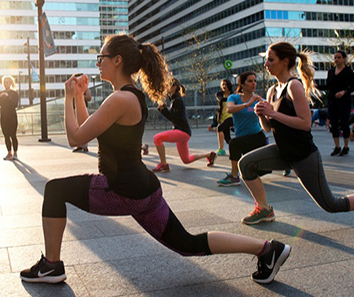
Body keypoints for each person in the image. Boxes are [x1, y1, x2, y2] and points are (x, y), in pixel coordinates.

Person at [19, 34, 291, 285]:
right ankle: (267, 249)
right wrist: (78, 96)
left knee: (55, 190)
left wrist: (68, 97)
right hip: (143, 189)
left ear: (117, 61)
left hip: (121, 190)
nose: (97, 63)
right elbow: (88, 129)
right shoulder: (128, 96)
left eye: (101, 58)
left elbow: (75, 138)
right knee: (187, 243)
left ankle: (51, 266)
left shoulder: (120, 99)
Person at [236, 42, 354, 228]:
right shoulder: (272, 91)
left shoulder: (294, 86)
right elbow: (268, 128)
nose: (266, 64)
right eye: (266, 60)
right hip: (283, 151)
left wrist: (274, 113)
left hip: (303, 155)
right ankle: (264, 209)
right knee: (246, 164)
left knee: (332, 204)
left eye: (271, 60)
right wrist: (262, 115)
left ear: (285, 61)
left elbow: (305, 123)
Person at [152, 78, 216, 172]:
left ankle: (163, 164)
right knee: (186, 160)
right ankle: (209, 155)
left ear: (174, 87)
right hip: (184, 132)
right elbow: (174, 116)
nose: (165, 88)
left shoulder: (177, 100)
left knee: (157, 138)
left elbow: (174, 118)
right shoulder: (175, 99)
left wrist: (163, 109)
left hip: (182, 131)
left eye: (167, 86)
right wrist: (163, 107)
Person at [217, 71, 268, 186]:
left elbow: (271, 112)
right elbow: (229, 109)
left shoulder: (259, 99)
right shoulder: (234, 97)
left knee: (234, 144)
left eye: (255, 81)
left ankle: (234, 177)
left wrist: (264, 103)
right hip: (242, 137)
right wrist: (248, 103)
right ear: (242, 84)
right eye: (250, 81)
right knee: (248, 168)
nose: (253, 83)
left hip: (256, 136)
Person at [316, 50, 354, 156]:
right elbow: (328, 86)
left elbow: (353, 86)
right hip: (332, 101)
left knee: (344, 123)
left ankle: (346, 146)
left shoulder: (348, 71)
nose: (336, 59)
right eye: (335, 58)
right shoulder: (331, 72)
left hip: (344, 101)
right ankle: (337, 146)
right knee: (333, 123)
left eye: (339, 57)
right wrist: (316, 86)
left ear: (344, 59)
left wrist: (344, 92)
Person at [0, 75, 19, 160]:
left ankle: (15, 153)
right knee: (6, 135)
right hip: (3, 117)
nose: (5, 84)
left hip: (12, 116)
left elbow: (15, 104)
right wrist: (0, 98)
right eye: (4, 82)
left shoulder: (14, 93)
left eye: (7, 82)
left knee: (13, 135)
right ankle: (9, 153)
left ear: (10, 83)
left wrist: (8, 97)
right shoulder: (0, 93)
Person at [209, 79, 234, 156]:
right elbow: (221, 99)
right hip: (222, 117)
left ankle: (221, 149)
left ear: (229, 85)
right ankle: (236, 147)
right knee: (227, 138)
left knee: (219, 128)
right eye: (222, 84)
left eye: (225, 84)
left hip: (231, 116)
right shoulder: (219, 94)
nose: (224, 86)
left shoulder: (234, 95)